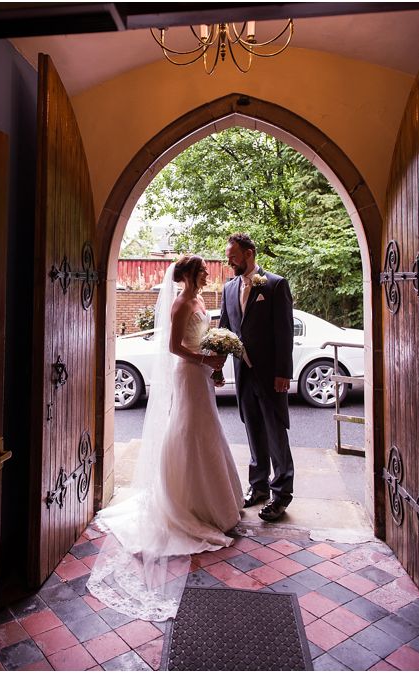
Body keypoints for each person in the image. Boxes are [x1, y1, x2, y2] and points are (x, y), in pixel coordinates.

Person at [87, 255, 243, 621]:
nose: (208, 273)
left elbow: (203, 340)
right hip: (188, 373)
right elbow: (174, 347)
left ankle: (217, 500)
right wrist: (205, 361)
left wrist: (215, 362)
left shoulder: (202, 301)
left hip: (202, 373)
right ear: (189, 275)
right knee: (190, 430)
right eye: (203, 270)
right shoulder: (179, 304)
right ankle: (187, 502)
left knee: (207, 432)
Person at [219, 233, 295, 522]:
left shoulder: (275, 284)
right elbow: (225, 330)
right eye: (229, 257)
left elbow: (284, 332)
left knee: (276, 433)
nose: (230, 262)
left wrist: (283, 373)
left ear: (249, 253)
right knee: (252, 430)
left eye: (233, 256)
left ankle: (281, 494)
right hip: (243, 373)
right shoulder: (228, 289)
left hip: (269, 374)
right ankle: (259, 486)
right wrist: (217, 367)